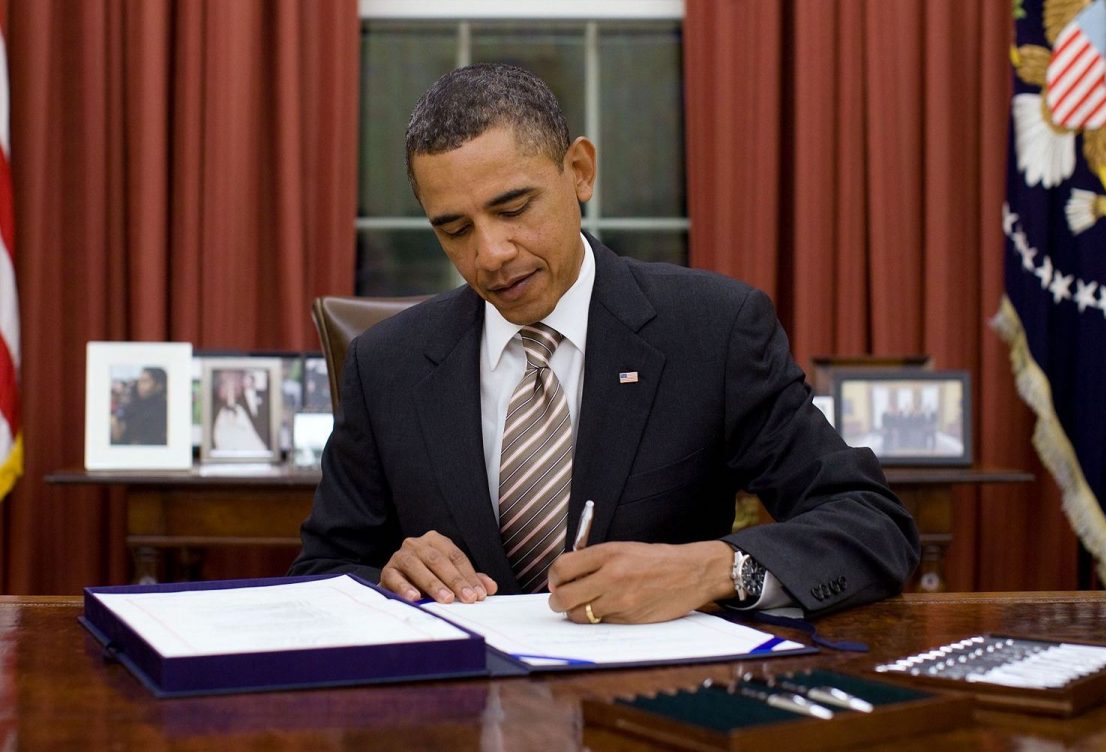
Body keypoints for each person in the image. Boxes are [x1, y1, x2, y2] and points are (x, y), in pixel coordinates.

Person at [290, 63, 919, 624]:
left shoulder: (714, 330)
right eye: (454, 230)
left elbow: (872, 526)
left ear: (580, 172)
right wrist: (390, 579)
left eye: (513, 209)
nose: (490, 254)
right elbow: (323, 571)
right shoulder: (386, 365)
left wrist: (713, 571)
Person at [112, 367, 168, 446]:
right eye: (140, 381)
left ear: (159, 385)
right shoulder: (132, 405)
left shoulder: (166, 409)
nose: (140, 385)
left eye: (145, 381)